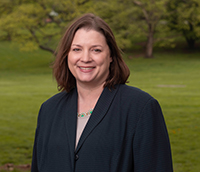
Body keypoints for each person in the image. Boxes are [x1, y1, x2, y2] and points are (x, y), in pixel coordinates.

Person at [31, 13, 173, 172]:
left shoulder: (140, 108)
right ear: (67, 55)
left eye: (96, 50)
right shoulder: (49, 110)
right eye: (77, 49)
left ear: (111, 55)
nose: (85, 58)